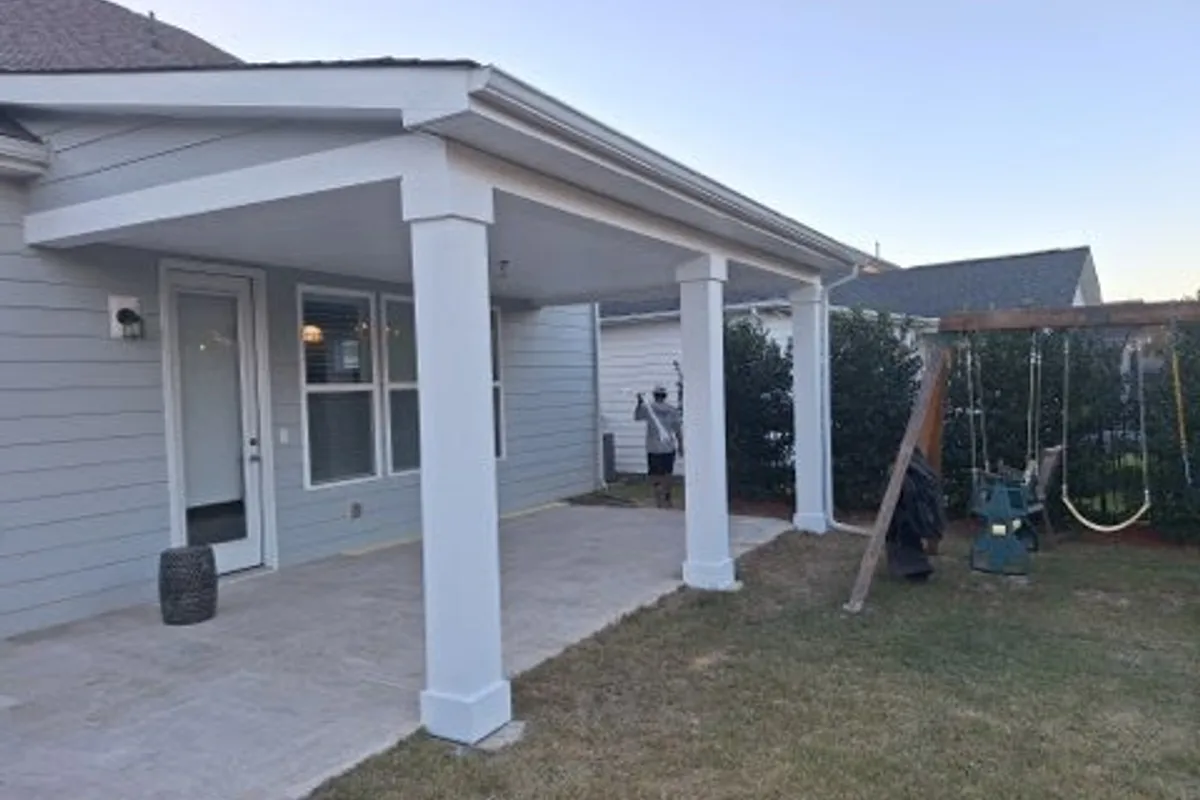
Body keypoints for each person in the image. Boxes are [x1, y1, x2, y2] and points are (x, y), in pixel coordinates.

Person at [635, 385, 683, 508]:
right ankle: (667, 496)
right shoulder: (672, 410)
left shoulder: (648, 408)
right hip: (668, 447)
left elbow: (637, 417)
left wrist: (639, 402)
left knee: (655, 474)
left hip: (653, 448)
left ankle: (658, 499)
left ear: (654, 395)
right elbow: (678, 430)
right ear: (665, 396)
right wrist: (681, 445)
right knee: (668, 473)